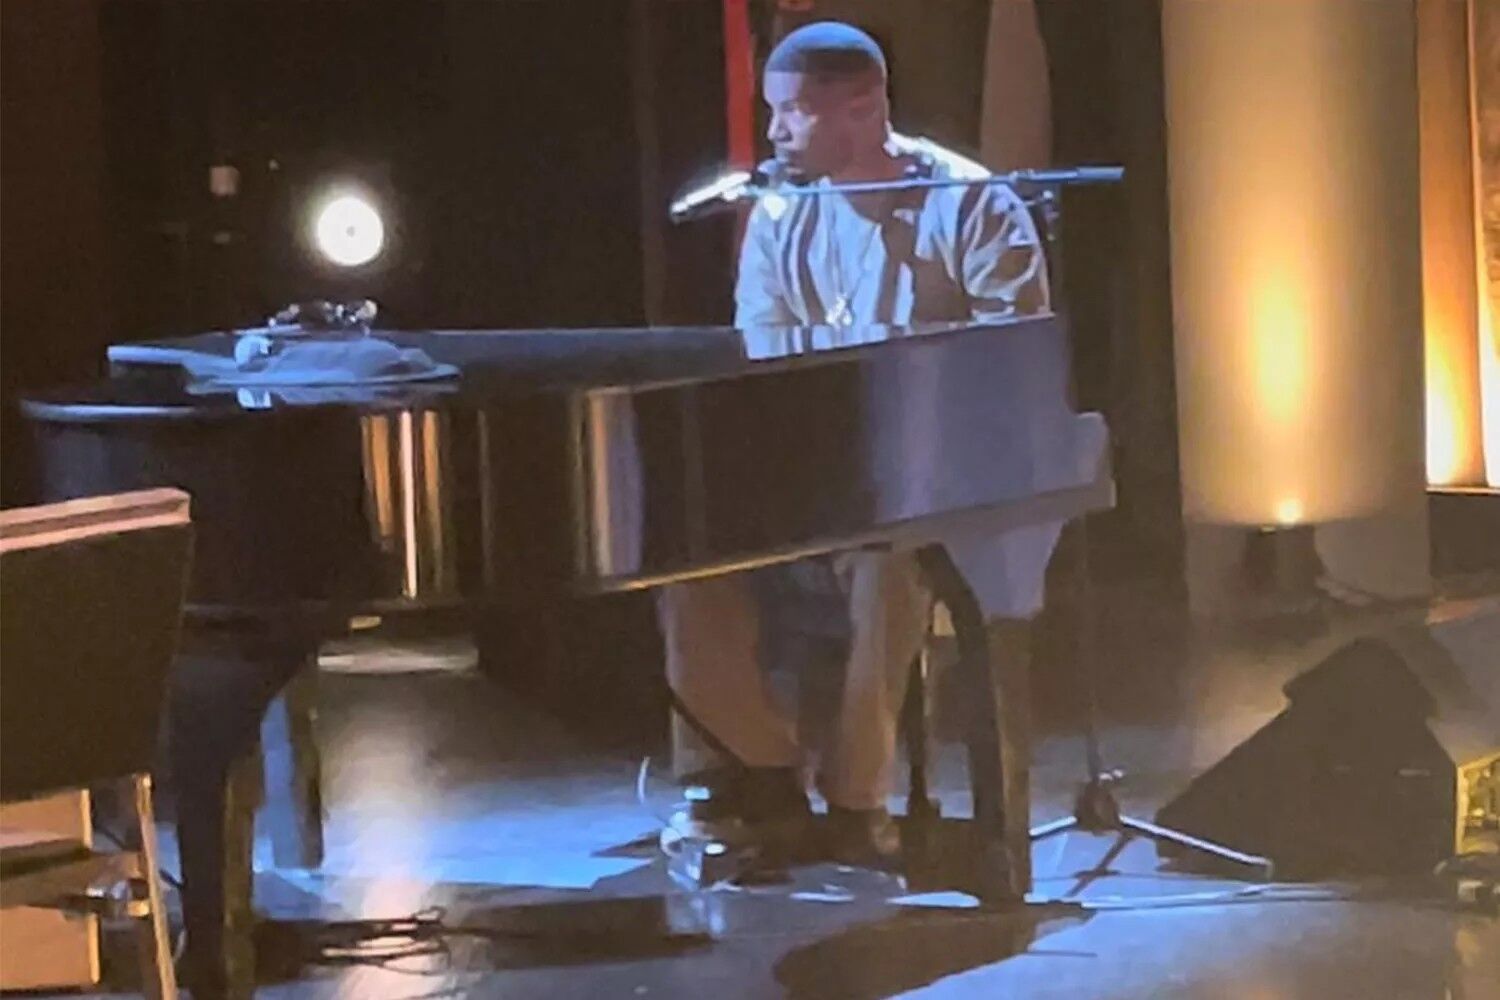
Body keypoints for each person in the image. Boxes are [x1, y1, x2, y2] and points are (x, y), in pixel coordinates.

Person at [659, 20, 1050, 868]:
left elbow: (1017, 366)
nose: (773, 134)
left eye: (794, 112)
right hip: (819, 479)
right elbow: (761, 351)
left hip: (948, 482)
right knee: (684, 562)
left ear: (865, 109)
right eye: (775, 113)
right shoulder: (780, 213)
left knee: (886, 564)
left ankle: (853, 799)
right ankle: (756, 770)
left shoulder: (974, 206)